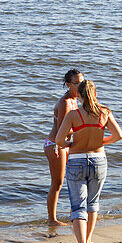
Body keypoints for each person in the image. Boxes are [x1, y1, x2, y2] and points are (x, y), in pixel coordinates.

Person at [54, 80, 122, 243]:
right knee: (92, 203)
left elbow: (59, 140)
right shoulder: (104, 112)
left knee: (78, 206)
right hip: (99, 159)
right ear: (95, 94)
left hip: (77, 159)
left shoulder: (73, 115)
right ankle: (88, 241)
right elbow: (118, 136)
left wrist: (71, 143)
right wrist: (101, 141)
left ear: (80, 96)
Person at [45, 69, 83, 226]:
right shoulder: (66, 102)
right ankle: (52, 219)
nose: (81, 85)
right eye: (77, 83)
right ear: (68, 84)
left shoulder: (76, 99)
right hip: (56, 145)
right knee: (57, 183)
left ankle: (73, 213)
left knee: (72, 180)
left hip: (66, 144)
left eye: (83, 82)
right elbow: (63, 130)